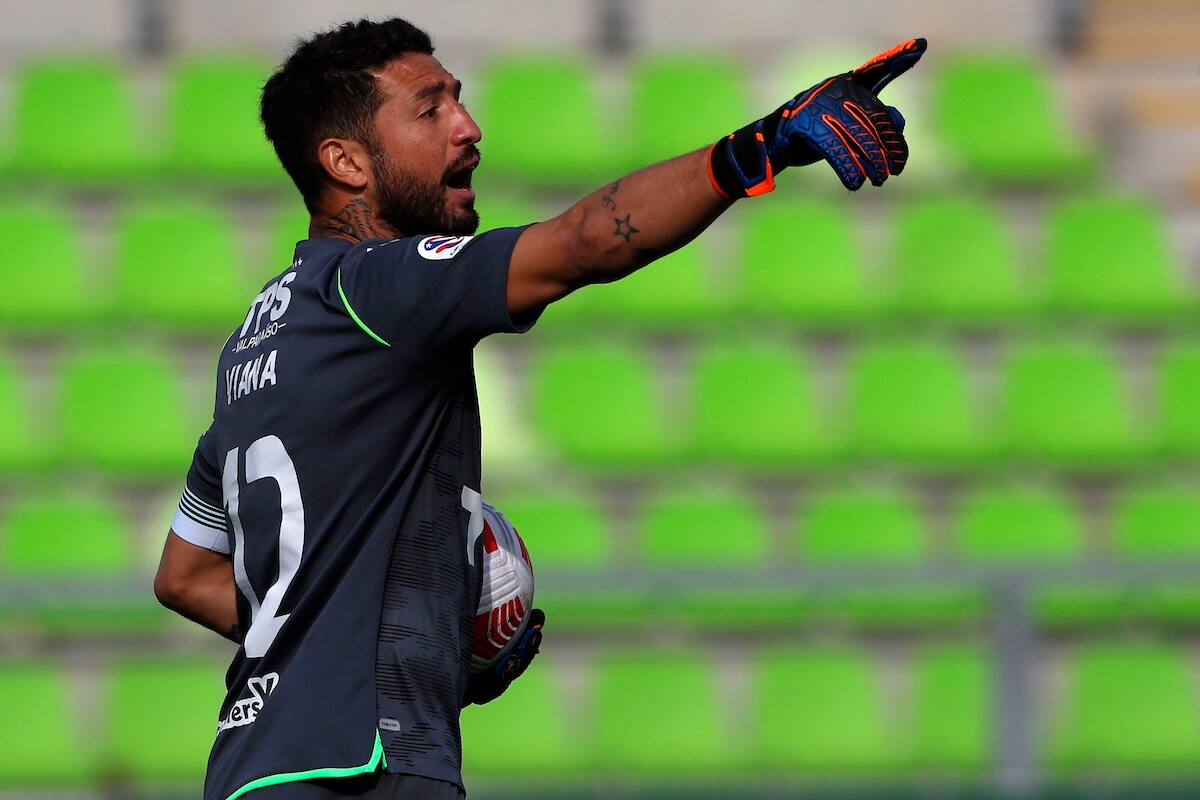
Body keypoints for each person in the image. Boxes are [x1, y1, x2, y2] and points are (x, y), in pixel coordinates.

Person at [151, 16, 925, 800]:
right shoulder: (379, 287)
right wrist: (758, 148)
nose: (468, 127)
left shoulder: (255, 345)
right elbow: (586, 243)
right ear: (346, 161)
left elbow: (184, 575)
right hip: (366, 771)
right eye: (430, 109)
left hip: (253, 769)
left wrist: (389, 643)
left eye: (458, 100)